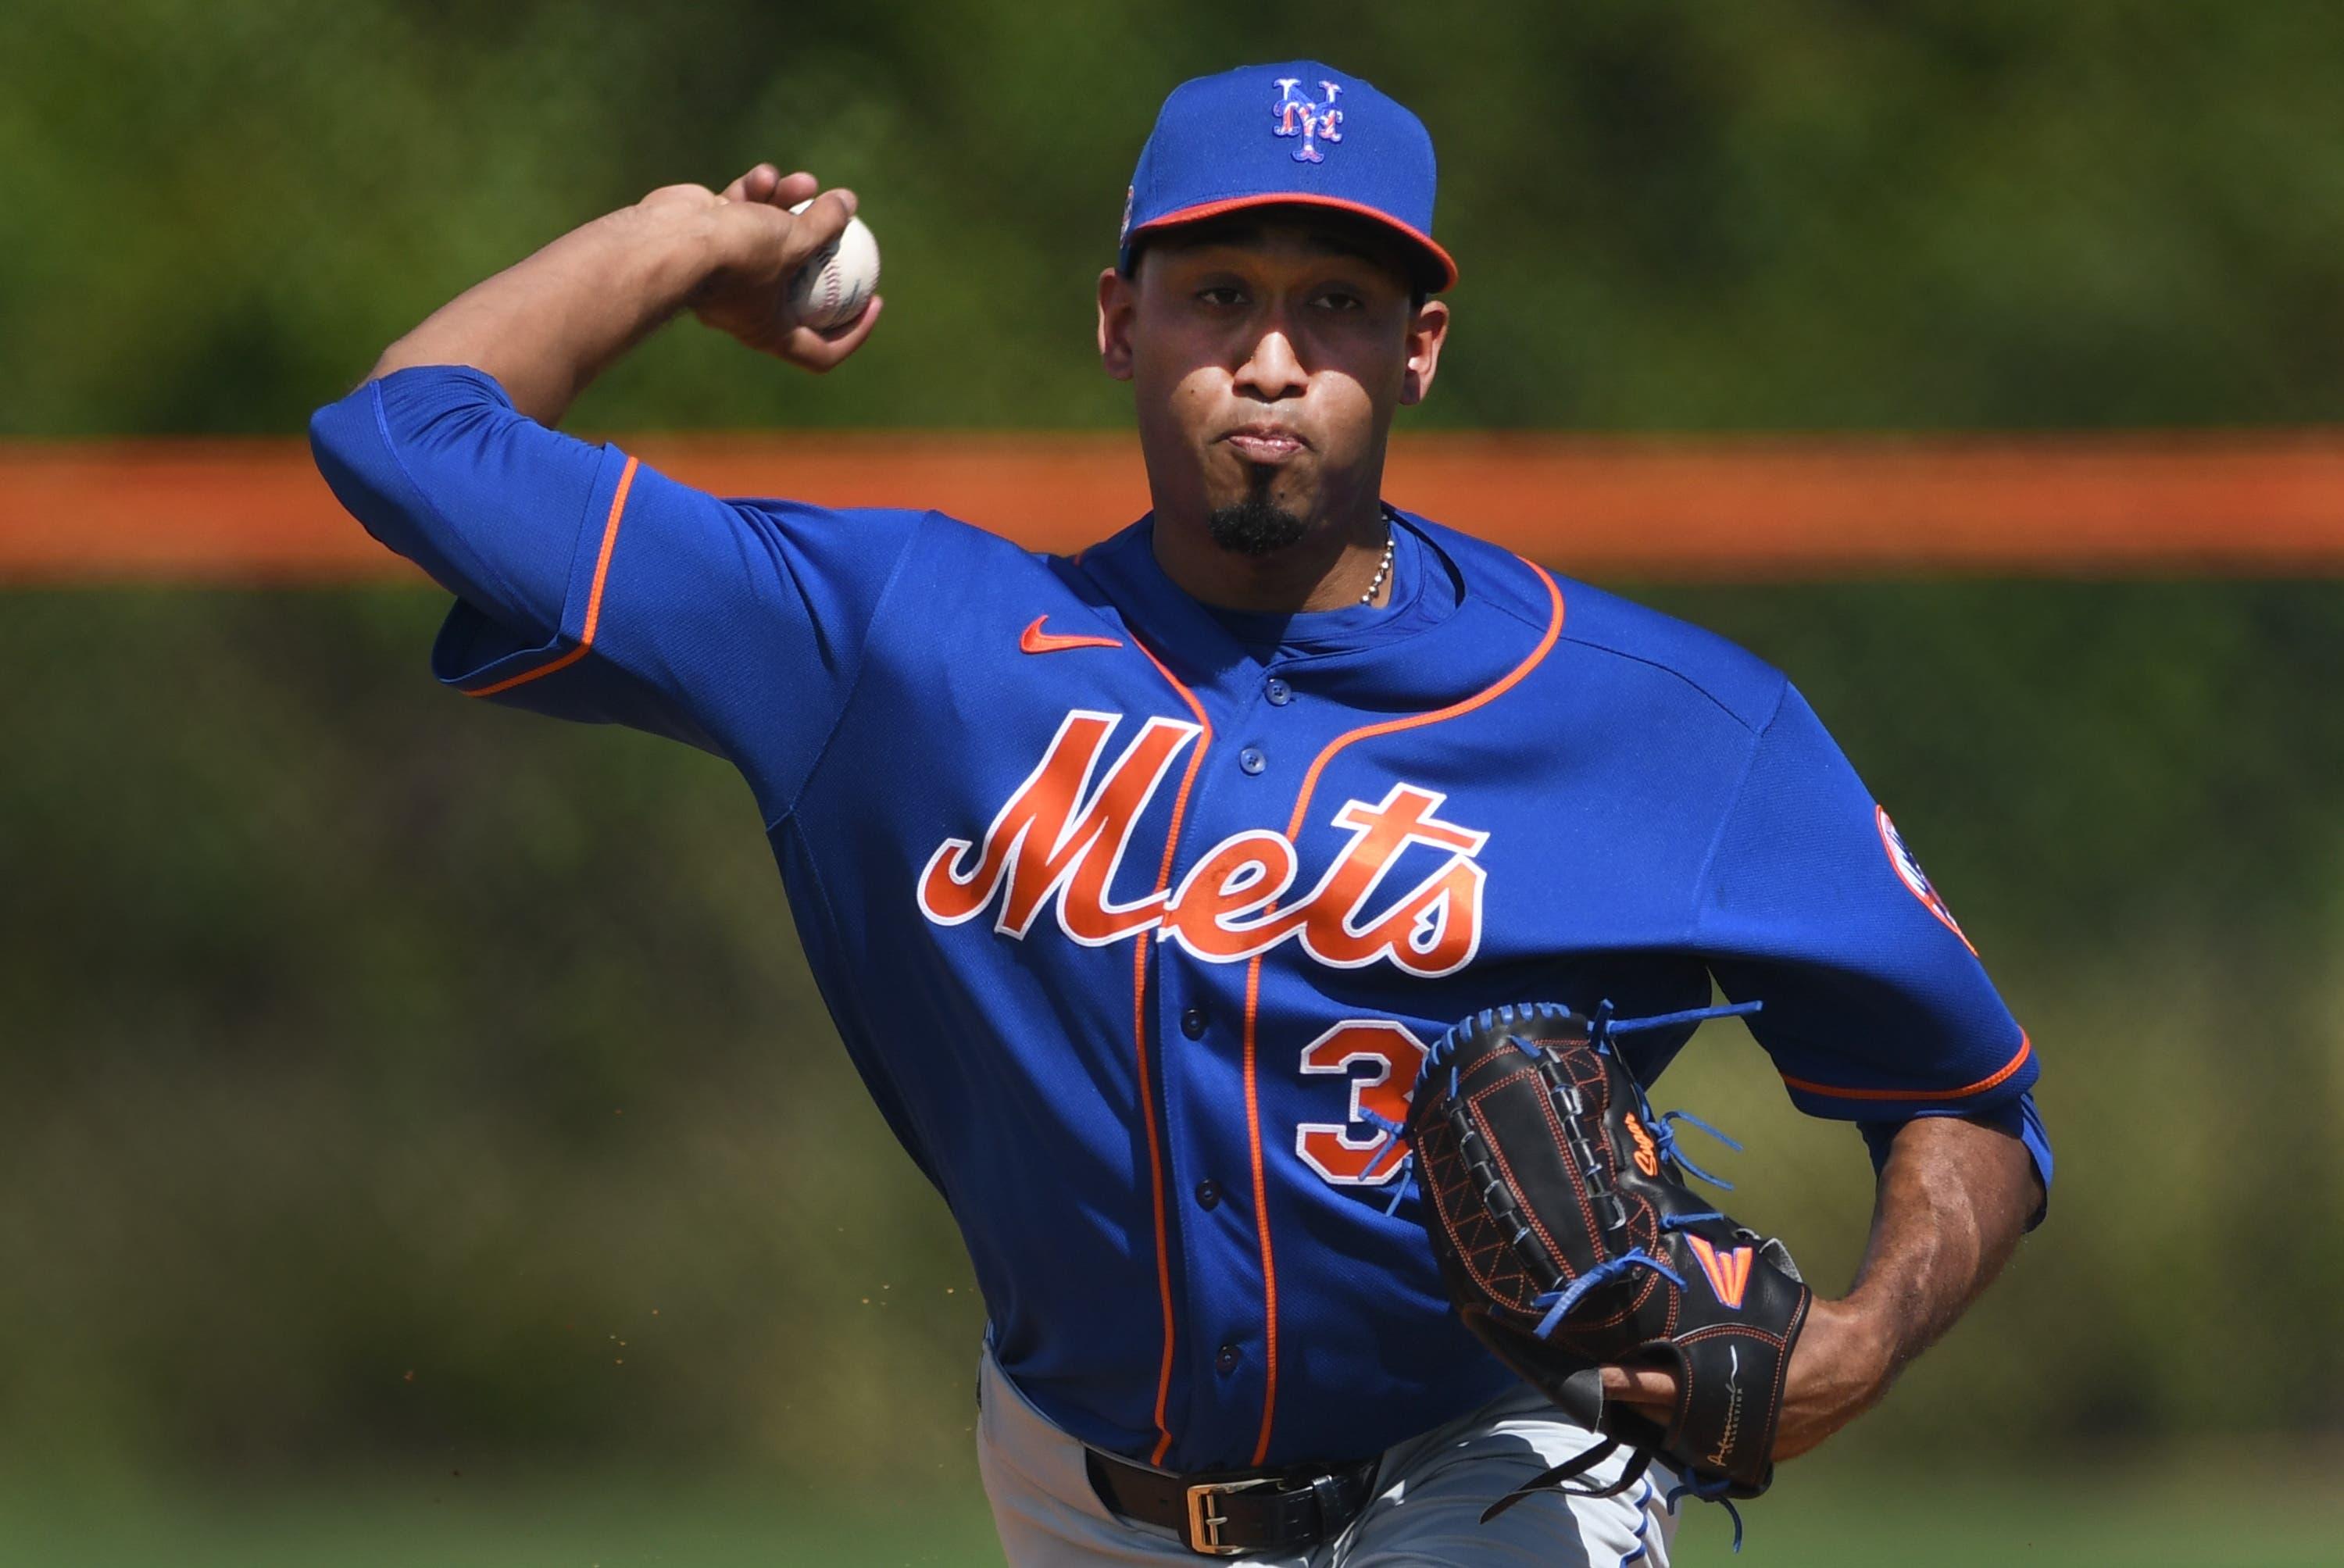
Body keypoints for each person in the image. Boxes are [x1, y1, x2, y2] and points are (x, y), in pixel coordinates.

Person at [309, 59, 2049, 1566]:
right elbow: (407, 433)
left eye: (1338, 304)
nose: (1274, 358)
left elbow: (1966, 1096)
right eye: (1219, 294)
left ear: (1420, 345)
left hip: (1493, 1472)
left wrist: (1864, 1334)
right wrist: (689, 239)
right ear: (1117, 321)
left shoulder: (1670, 724)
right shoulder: (903, 649)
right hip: (1076, 1495)